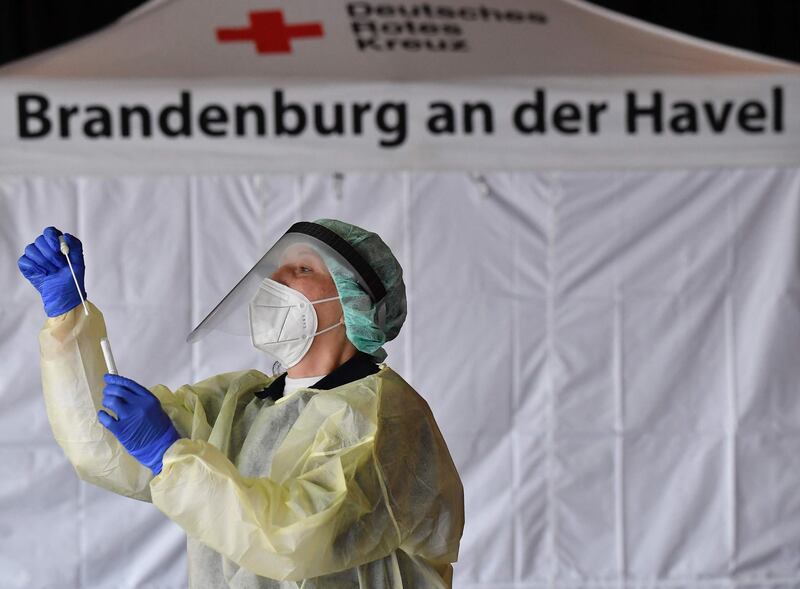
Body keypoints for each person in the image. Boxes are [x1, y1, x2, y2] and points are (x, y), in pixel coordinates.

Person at [18, 220, 464, 588]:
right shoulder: (242, 403)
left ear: (354, 301)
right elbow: (102, 446)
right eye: (277, 267)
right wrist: (68, 318)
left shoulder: (383, 416)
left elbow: (293, 538)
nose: (274, 279)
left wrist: (170, 455)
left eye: (302, 269)